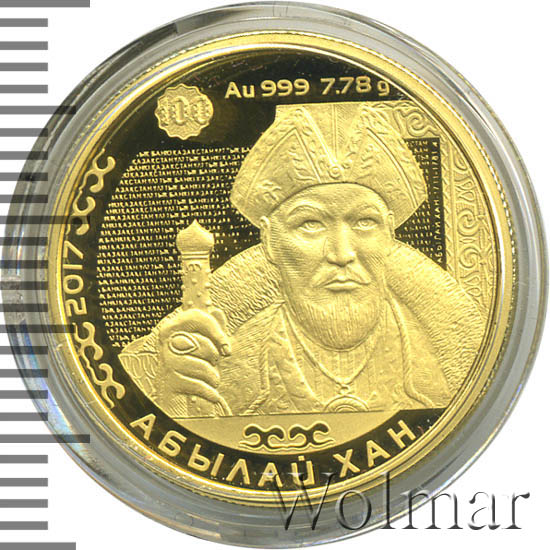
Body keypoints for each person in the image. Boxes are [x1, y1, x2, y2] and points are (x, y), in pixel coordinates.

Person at [120, 102, 484, 418]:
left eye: (364, 222)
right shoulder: (225, 367)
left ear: (389, 235)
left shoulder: (453, 362)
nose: (342, 253)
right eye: (310, 224)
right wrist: (171, 402)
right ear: (270, 242)